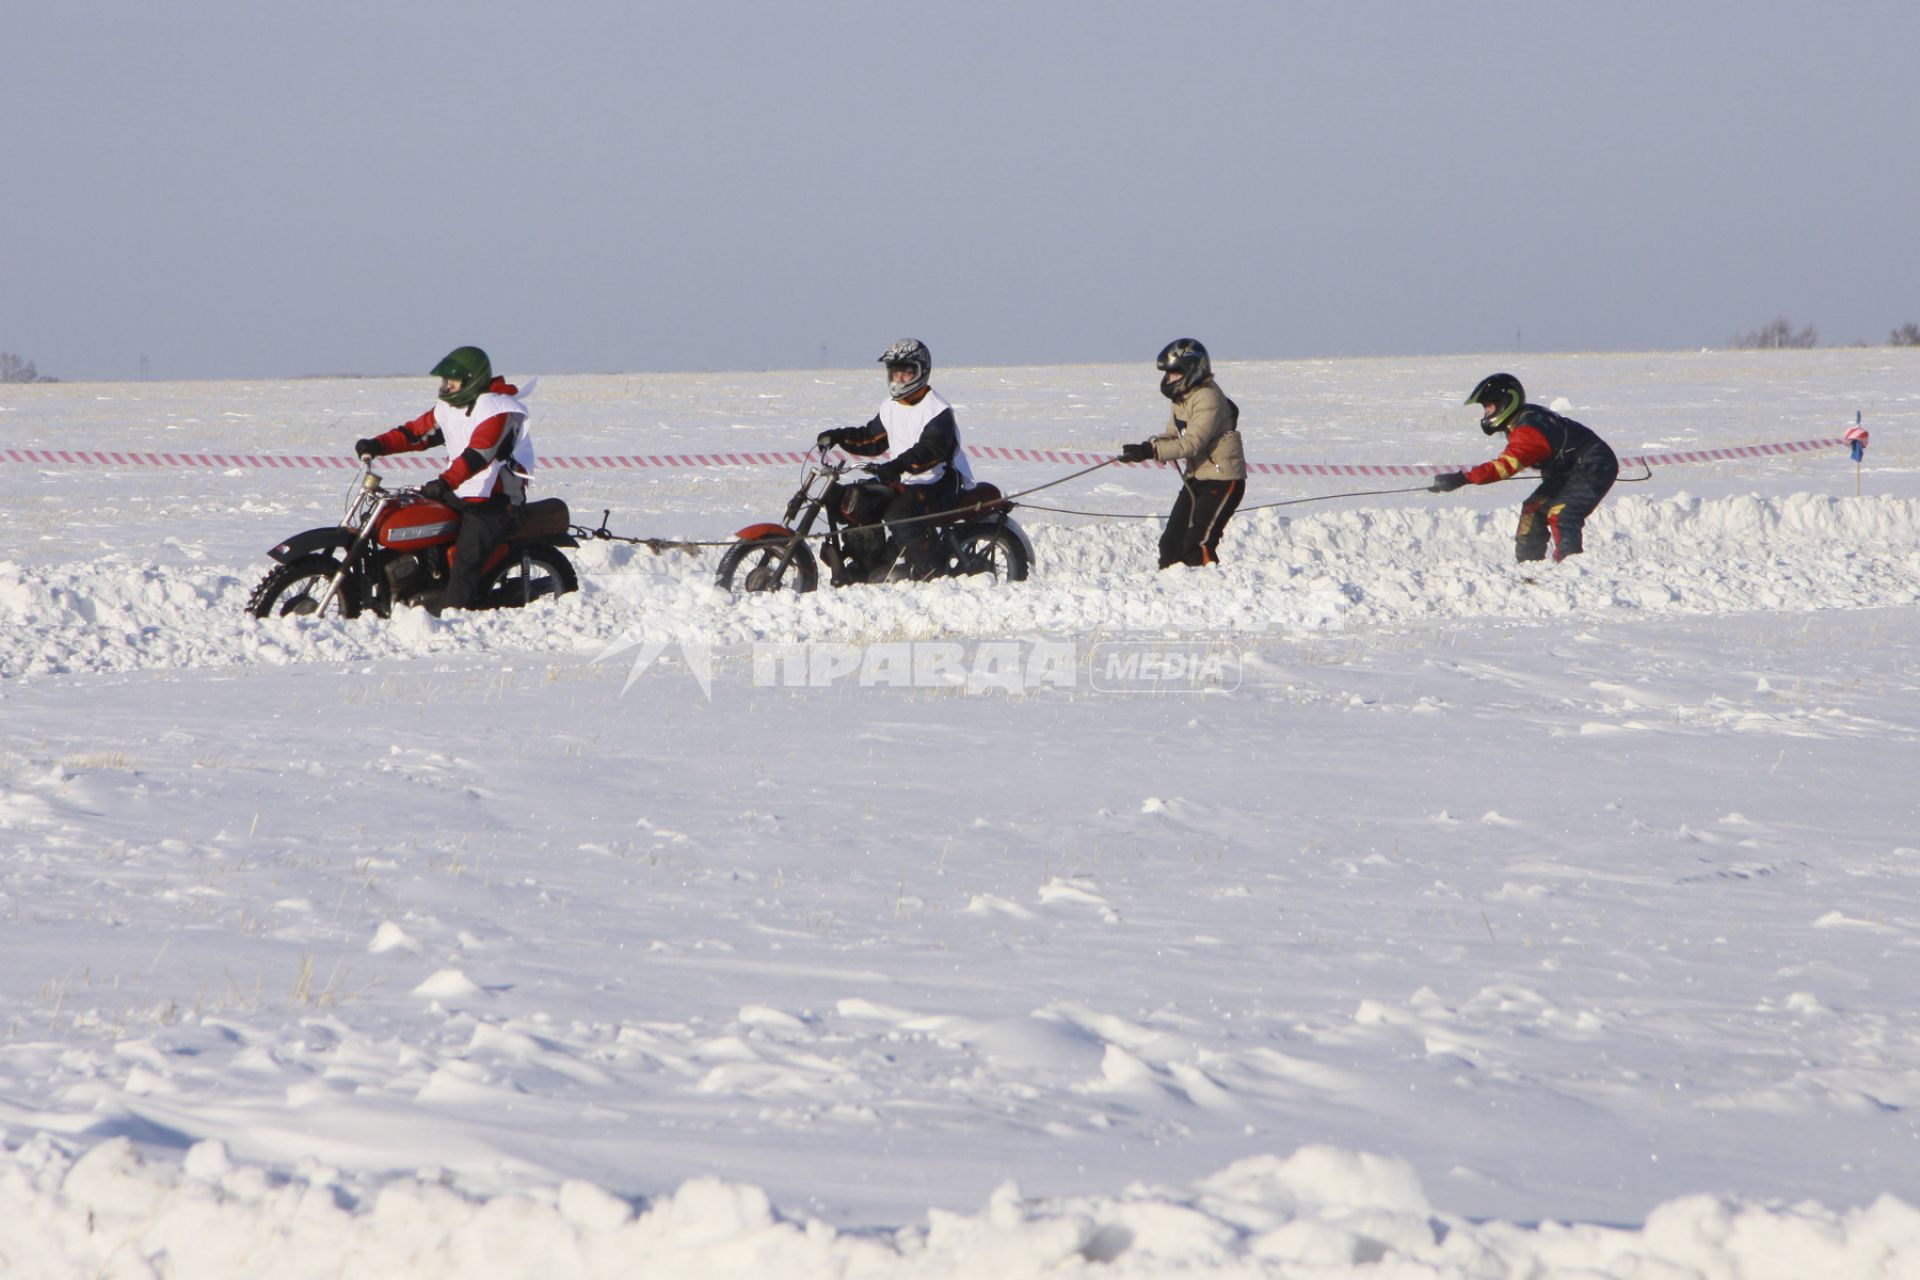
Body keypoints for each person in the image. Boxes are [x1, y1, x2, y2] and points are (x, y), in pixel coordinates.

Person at [354, 346, 534, 611]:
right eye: (445, 381)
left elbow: (478, 455)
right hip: (461, 492)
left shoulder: (498, 409)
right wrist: (378, 445)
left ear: (472, 379)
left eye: (453, 381)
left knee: (467, 557)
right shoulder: (451, 407)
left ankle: (456, 613)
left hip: (495, 500)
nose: (447, 386)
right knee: (414, 523)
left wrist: (445, 482)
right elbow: (416, 433)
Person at [814, 338, 974, 583]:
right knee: (853, 499)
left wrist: (896, 466)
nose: (899, 379)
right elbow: (872, 438)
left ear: (921, 372)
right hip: (906, 477)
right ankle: (867, 562)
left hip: (938, 481)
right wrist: (837, 436)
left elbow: (929, 451)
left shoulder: (938, 411)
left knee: (899, 514)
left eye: (906, 373)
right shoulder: (891, 406)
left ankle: (931, 570)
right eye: (895, 372)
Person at [1428, 373, 1619, 563]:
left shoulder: (1529, 430)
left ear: (1505, 402)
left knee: (1561, 514)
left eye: (1488, 407)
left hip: (1594, 464)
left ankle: (1571, 568)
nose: (1486, 413)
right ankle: (1528, 568)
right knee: (1533, 509)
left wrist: (1463, 478)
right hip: (1567, 470)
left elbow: (1504, 467)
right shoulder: (1521, 420)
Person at [1118, 338, 1247, 569]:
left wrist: (1152, 451)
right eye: (1168, 374)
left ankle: (1212, 591)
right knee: (1170, 545)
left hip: (1223, 478)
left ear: (1191, 371)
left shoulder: (1207, 398)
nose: (1169, 379)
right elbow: (1173, 435)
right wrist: (1146, 448)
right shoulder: (1183, 398)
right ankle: (1173, 595)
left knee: (1197, 544)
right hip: (1197, 477)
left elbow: (1191, 444)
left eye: (1174, 374)